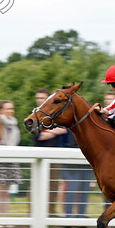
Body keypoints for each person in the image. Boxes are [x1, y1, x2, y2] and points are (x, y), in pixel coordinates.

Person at [0, 100, 23, 228]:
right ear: (0, 110)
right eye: (7, 109)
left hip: (11, 160)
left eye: (12, 109)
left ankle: (5, 218)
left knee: (6, 192)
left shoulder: (14, 125)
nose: (10, 111)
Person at [34, 88, 67, 217]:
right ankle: (34, 213)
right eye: (38, 98)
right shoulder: (35, 114)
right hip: (37, 154)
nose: (39, 101)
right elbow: (38, 135)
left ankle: (50, 213)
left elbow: (64, 131)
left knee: (52, 185)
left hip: (54, 154)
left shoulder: (55, 113)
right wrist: (55, 131)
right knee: (35, 186)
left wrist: (50, 132)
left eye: (42, 98)